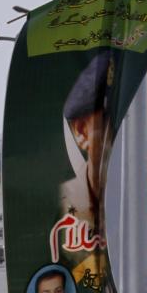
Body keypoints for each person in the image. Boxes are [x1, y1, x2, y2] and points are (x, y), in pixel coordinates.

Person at [59, 51, 114, 237]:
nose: (120, 136)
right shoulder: (64, 201)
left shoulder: (139, 201)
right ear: (82, 131)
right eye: (108, 123)